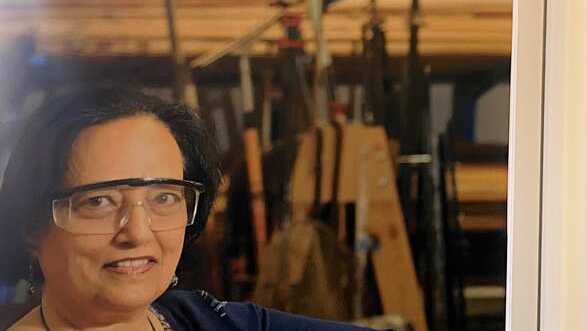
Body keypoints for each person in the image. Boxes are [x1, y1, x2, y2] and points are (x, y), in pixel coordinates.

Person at [0, 86, 368, 331]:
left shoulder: (214, 322)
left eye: (164, 198)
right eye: (99, 201)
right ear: (32, 224)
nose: (139, 234)